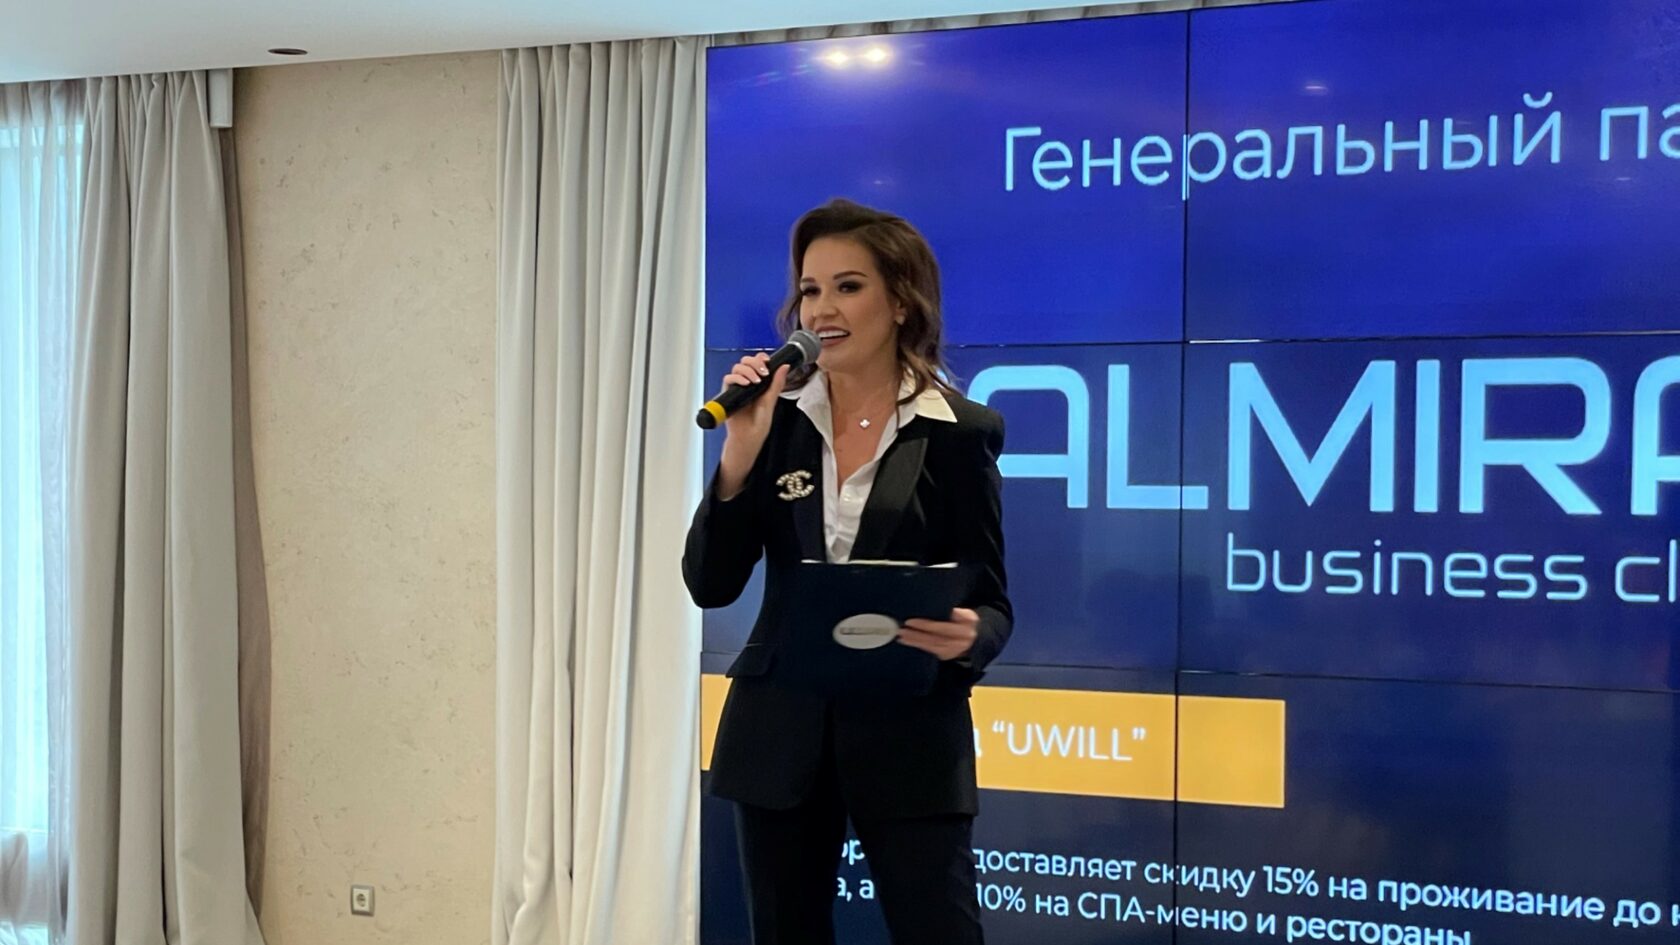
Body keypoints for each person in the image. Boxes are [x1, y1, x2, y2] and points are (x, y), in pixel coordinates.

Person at [683, 198, 1011, 945]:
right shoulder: (773, 420)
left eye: (848, 286)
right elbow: (711, 583)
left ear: (901, 302)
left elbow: (994, 604)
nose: (822, 309)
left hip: (911, 733)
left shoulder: (960, 434)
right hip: (779, 731)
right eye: (810, 289)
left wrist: (969, 636)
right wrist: (739, 453)